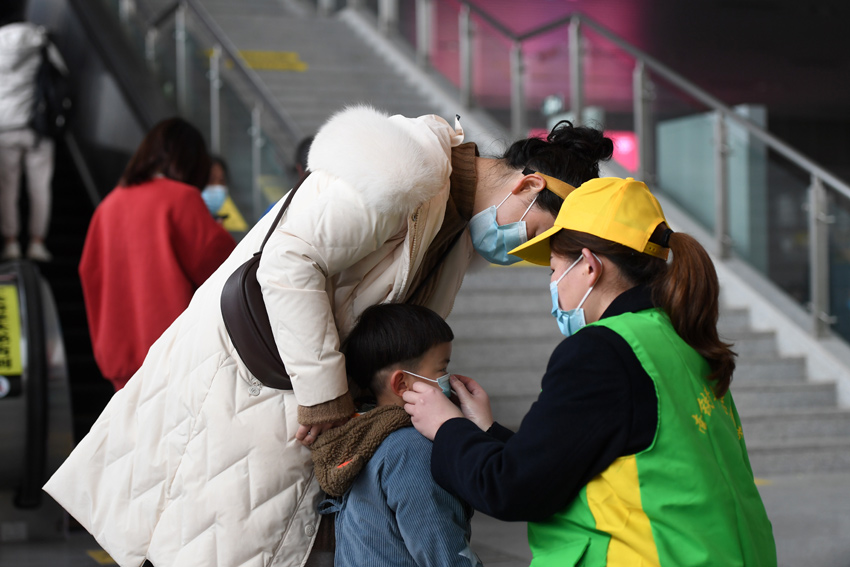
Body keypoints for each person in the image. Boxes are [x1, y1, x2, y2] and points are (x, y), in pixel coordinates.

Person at [44, 105, 612, 567]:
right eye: (538, 234)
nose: (523, 252)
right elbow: (288, 261)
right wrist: (326, 397)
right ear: (529, 185)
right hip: (245, 391)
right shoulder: (403, 169)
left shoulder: (453, 227)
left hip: (279, 405)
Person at [403, 177, 778, 566]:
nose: (552, 284)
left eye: (553, 269)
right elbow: (576, 457)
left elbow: (511, 489)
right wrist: (485, 431)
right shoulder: (681, 341)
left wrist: (446, 426)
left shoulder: (603, 351)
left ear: (589, 265)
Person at [311, 303, 481, 567]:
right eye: (442, 369)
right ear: (402, 383)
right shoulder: (411, 448)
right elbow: (441, 547)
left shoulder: (361, 436)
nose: (450, 379)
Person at [78, 117, 236, 391]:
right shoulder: (181, 199)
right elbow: (228, 269)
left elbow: (89, 276)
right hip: (174, 366)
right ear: (193, 163)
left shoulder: (107, 207)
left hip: (120, 372)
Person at [0, 14, 67, 261]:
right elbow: (61, 75)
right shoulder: (40, 43)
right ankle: (37, 242)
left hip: (5, 129)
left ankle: (11, 242)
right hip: (38, 128)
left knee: (8, 189)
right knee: (40, 188)